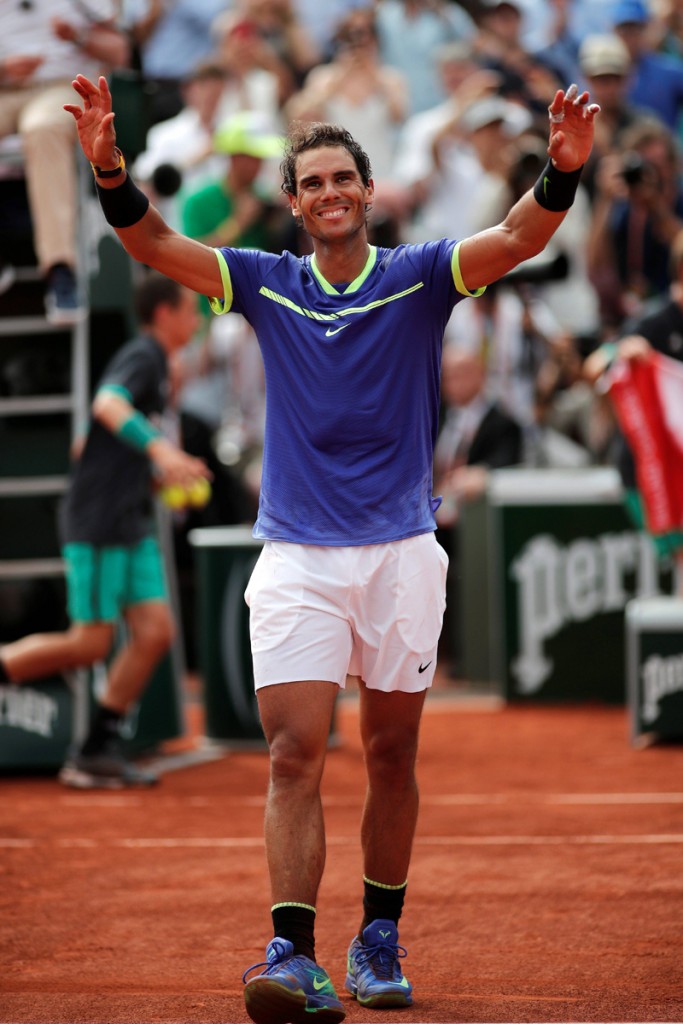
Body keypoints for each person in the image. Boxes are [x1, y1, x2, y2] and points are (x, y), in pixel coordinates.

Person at [62, 70, 598, 1022]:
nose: (329, 193)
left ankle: (380, 936)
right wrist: (109, 172)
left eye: (341, 177)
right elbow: (150, 241)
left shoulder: (420, 274)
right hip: (299, 557)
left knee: (390, 753)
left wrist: (558, 174)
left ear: (365, 187)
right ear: (294, 202)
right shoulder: (263, 284)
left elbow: (519, 236)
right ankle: (293, 951)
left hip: (401, 549)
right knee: (290, 754)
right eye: (310, 183)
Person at [0, 273, 211, 789]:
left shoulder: (161, 366)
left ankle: (96, 749)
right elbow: (106, 406)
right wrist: (161, 450)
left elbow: (86, 440)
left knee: (155, 631)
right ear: (164, 314)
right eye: (189, 308)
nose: (196, 318)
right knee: (90, 643)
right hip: (98, 522)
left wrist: (152, 471)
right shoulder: (144, 355)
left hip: (129, 521)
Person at [0, 0, 130, 321]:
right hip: (4, 90)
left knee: (42, 129)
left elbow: (119, 51)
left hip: (61, 87)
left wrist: (79, 36)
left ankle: (60, 271)